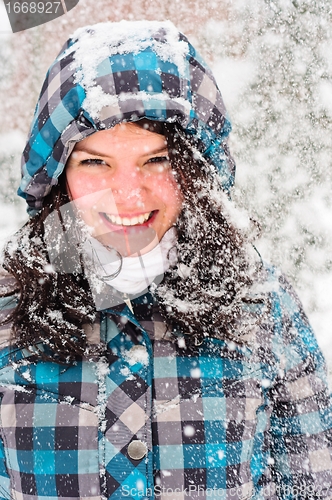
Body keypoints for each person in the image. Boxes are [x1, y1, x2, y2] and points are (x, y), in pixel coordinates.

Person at [0, 19, 331, 500]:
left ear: (195, 168)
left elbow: (313, 482)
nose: (129, 194)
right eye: (96, 162)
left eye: (156, 160)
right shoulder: (9, 311)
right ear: (57, 176)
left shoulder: (261, 309)